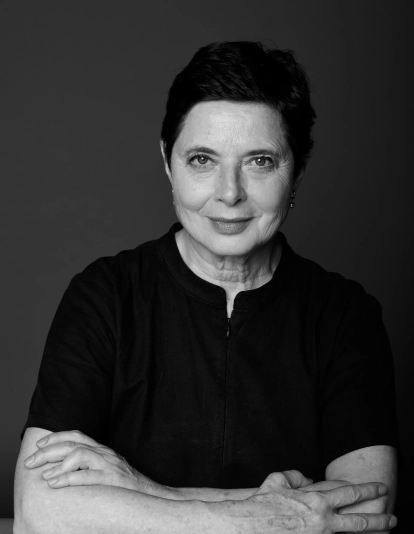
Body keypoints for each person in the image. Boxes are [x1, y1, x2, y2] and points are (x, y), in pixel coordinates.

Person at [14, 41, 399, 534]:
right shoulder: (103, 296)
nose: (229, 193)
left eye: (260, 161)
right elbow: (38, 511)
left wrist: (145, 491)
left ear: (298, 171)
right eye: (202, 159)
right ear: (167, 162)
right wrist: (272, 517)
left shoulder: (346, 315)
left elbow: (366, 515)